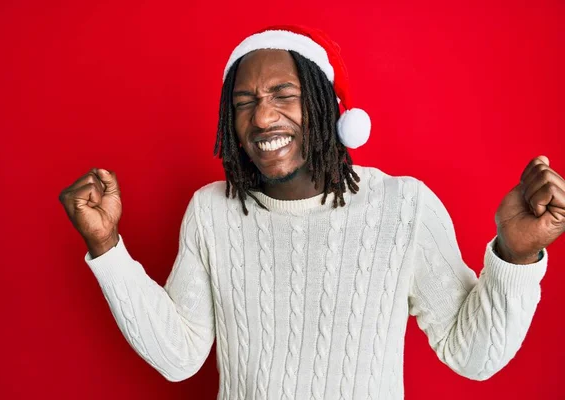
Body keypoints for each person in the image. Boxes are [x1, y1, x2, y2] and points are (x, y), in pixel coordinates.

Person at [58, 25, 565, 400]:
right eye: (244, 102)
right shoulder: (211, 211)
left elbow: (472, 356)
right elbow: (179, 357)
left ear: (327, 107)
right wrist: (107, 249)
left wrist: (515, 256)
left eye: (284, 94)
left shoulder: (403, 206)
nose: (261, 115)